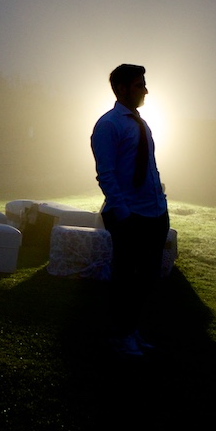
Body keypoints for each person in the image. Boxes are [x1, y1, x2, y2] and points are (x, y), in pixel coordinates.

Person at [90, 64, 170, 357]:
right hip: (129, 215)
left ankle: (131, 330)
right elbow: (106, 174)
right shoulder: (109, 125)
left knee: (147, 278)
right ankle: (119, 335)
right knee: (125, 277)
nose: (145, 90)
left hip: (154, 212)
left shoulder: (142, 124)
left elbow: (149, 165)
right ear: (122, 89)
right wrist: (123, 214)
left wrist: (161, 203)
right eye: (139, 85)